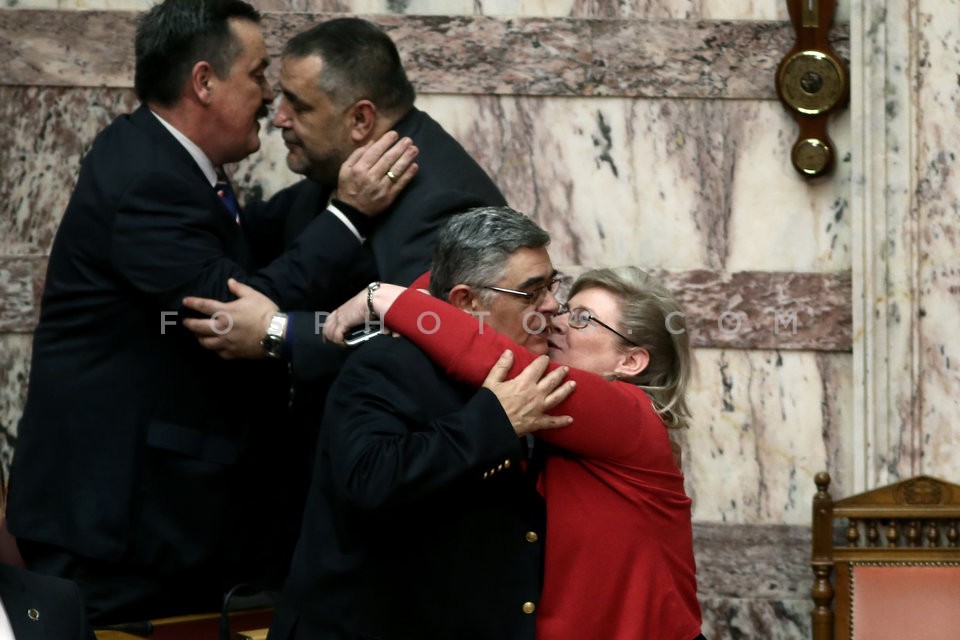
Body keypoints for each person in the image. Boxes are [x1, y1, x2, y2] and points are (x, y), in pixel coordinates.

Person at [6, 0, 414, 625]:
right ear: (204, 81)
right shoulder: (148, 179)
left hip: (146, 522)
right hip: (116, 531)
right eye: (257, 76)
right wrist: (346, 216)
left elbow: (235, 241)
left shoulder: (158, 156)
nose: (269, 103)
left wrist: (325, 193)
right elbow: (231, 308)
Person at [325, 265, 706, 639]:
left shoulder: (631, 414)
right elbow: (463, 278)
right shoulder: (551, 419)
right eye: (566, 308)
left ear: (630, 361)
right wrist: (447, 291)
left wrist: (385, 297)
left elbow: (490, 354)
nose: (556, 320)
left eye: (583, 319)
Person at [290, 206, 569, 639]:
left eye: (552, 286)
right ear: (467, 303)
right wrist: (494, 420)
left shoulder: (528, 370)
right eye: (531, 293)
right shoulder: (387, 363)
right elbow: (370, 478)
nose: (552, 306)